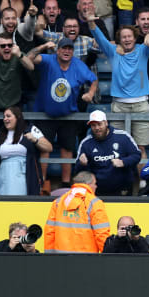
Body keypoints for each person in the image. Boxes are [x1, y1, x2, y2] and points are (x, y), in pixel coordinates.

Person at [88, 12, 149, 160]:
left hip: (140, 105)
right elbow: (100, 39)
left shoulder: (143, 50)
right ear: (119, 40)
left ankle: (143, 183)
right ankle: (121, 183)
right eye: (123, 37)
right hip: (119, 105)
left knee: (140, 148)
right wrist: (91, 24)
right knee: (117, 148)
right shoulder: (113, 52)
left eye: (129, 36)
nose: (127, 39)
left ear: (134, 38)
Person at [30, 38, 96, 190]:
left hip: (68, 115)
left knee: (67, 148)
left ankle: (66, 184)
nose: (67, 51)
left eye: (70, 49)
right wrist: (43, 46)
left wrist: (90, 93)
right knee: (44, 148)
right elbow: (29, 58)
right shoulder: (48, 59)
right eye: (64, 48)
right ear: (58, 50)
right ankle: (42, 182)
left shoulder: (78, 65)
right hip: (46, 114)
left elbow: (93, 80)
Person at [76, 110, 141, 196]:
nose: (97, 128)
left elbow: (137, 155)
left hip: (123, 189)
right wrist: (82, 163)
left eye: (99, 124)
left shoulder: (123, 136)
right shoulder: (86, 143)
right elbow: (77, 170)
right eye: (93, 125)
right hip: (97, 191)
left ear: (106, 123)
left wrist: (123, 162)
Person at [44, 171, 110, 253]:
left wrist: (49, 256)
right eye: (95, 183)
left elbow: (49, 232)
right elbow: (102, 234)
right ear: (88, 184)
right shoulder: (95, 203)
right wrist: (108, 256)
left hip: (60, 259)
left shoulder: (58, 202)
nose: (96, 186)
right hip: (87, 259)